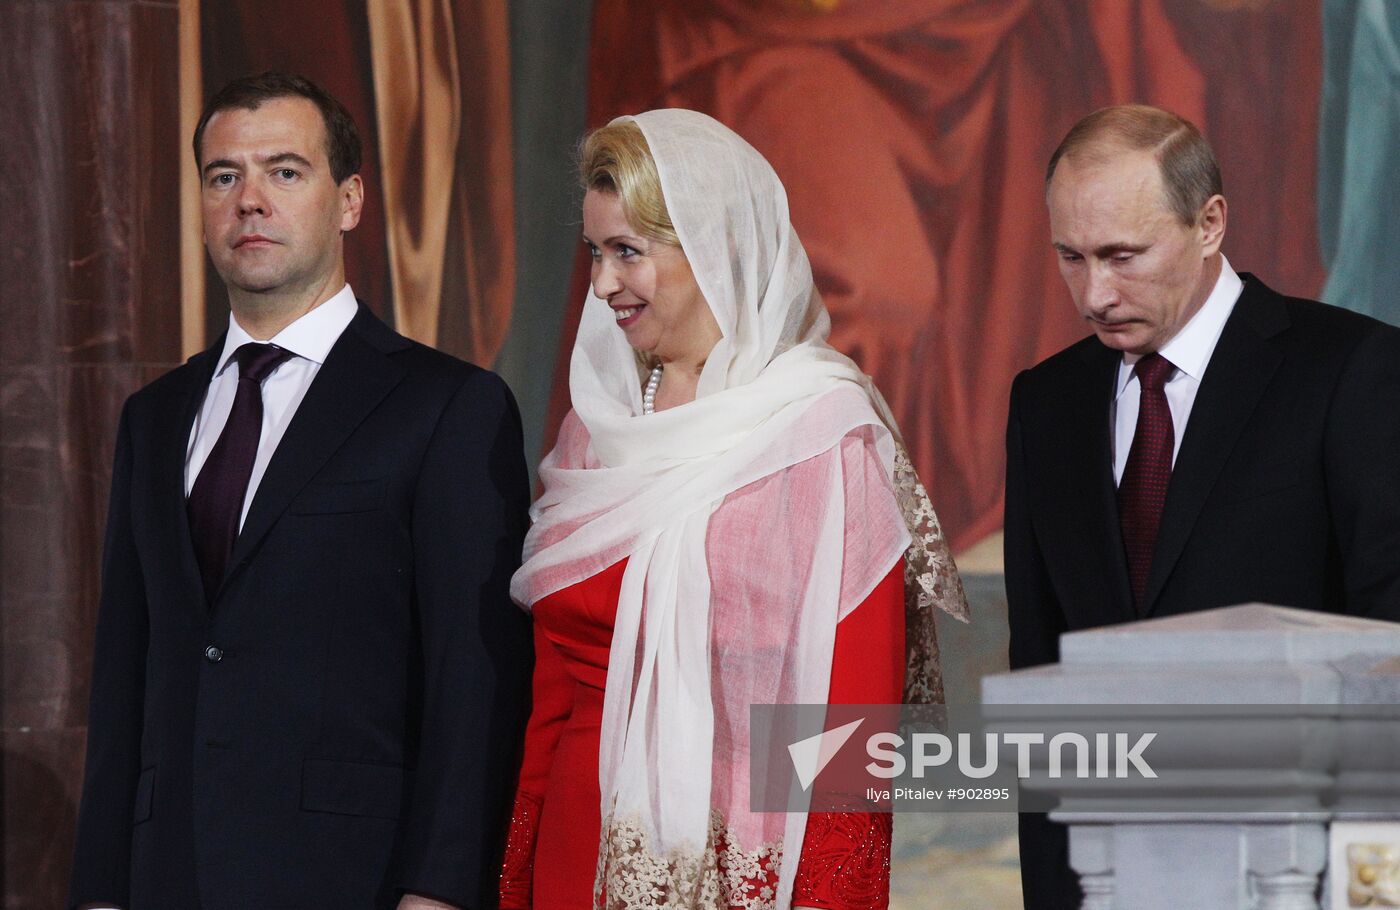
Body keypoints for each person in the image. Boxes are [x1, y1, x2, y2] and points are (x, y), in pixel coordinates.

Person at [67, 72, 532, 910]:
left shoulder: (447, 406)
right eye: (223, 176)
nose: (250, 201)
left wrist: (439, 891)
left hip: (351, 876)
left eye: (284, 171)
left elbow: (475, 684)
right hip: (166, 873)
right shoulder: (153, 416)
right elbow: (126, 676)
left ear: (349, 200)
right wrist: (99, 887)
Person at [497, 110, 968, 909]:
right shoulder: (594, 429)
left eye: (628, 253)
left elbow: (850, 741)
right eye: (595, 254)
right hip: (573, 859)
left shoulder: (826, 434)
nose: (604, 283)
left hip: (749, 873)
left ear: (714, 248)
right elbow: (555, 692)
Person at [1004, 103, 1400, 908]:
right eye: (1071, 258)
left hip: (1300, 872)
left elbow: (1387, 659)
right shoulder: (1045, 403)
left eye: (1124, 255)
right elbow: (1041, 671)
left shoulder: (1350, 370)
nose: (1094, 293)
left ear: (1210, 222)